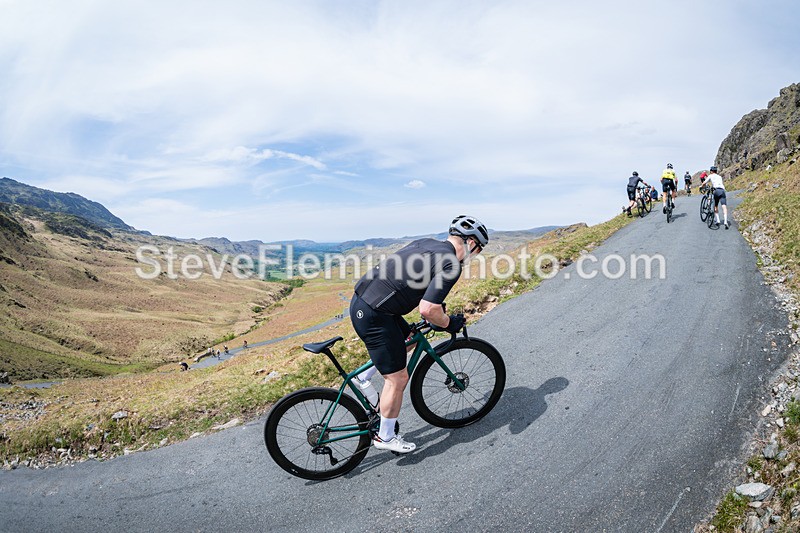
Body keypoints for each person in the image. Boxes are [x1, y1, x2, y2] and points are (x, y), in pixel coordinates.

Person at [349, 215, 488, 453]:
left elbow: (413, 280)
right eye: (477, 251)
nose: (473, 256)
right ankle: (385, 437)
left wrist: (435, 314)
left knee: (408, 338)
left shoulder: (428, 243)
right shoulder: (451, 263)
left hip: (366, 302)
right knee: (398, 379)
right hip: (376, 315)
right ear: (471, 243)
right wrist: (448, 324)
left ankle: (365, 376)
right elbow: (428, 308)